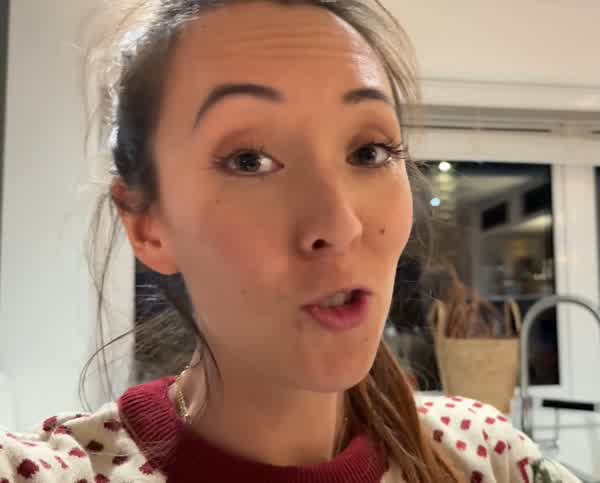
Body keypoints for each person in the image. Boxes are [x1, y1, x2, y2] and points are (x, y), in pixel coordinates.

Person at [0, 1, 581, 482]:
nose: (340, 223)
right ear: (148, 226)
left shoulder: (486, 459)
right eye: (249, 160)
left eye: (369, 152)